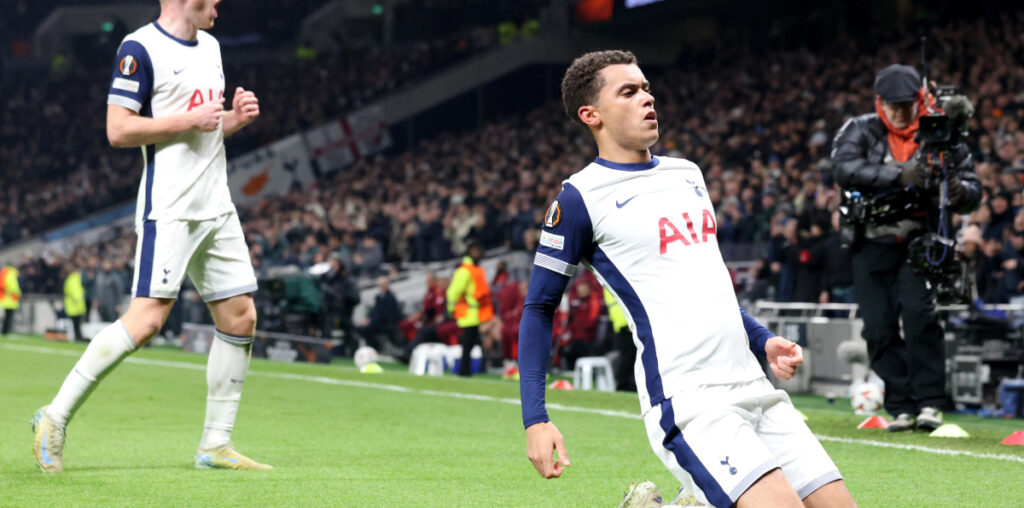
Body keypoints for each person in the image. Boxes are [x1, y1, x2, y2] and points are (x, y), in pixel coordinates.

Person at [519, 50, 856, 508]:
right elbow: (539, 308)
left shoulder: (688, 175)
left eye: (646, 87)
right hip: (691, 401)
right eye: (629, 91)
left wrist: (760, 340)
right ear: (590, 114)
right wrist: (535, 419)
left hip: (758, 389)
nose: (647, 98)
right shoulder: (579, 199)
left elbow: (704, 284)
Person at [32, 0, 270, 473]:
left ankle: (215, 445)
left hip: (216, 206)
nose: (220, 3)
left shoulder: (213, 47)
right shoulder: (139, 47)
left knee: (241, 316)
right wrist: (191, 120)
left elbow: (207, 127)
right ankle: (53, 417)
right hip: (171, 207)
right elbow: (118, 130)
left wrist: (233, 121)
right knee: (145, 322)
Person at [832, 64, 981, 432]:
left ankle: (929, 403)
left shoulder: (940, 132)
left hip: (919, 241)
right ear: (879, 101)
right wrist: (898, 177)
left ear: (919, 99)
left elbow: (971, 187)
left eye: (907, 104)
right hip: (870, 241)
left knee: (920, 317)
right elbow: (843, 167)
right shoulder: (859, 128)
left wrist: (961, 192)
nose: (900, 112)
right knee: (878, 327)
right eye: (893, 105)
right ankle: (900, 404)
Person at [447, 243, 495, 376]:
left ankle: (472, 368)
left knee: (473, 342)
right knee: (468, 343)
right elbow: (454, 291)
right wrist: (451, 308)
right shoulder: (465, 270)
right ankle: (464, 370)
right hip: (468, 311)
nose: (478, 254)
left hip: (476, 312)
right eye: (476, 251)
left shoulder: (475, 269)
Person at [63, 265, 87, 342]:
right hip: (75, 305)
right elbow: (74, 292)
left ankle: (78, 337)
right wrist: (78, 300)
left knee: (77, 323)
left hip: (76, 306)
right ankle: (77, 337)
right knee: (76, 323)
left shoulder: (71, 278)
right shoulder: (74, 279)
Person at [0, 264, 21, 335]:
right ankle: (5, 331)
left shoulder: (5, 273)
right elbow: (13, 287)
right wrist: (18, 293)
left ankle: (5, 331)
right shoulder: (10, 274)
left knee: (7, 316)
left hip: (6, 299)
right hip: (10, 300)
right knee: (8, 317)